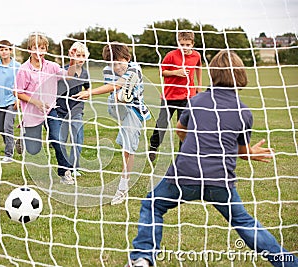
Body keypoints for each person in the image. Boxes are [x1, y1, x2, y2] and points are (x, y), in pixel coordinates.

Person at [125, 50, 298, 267]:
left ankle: (142, 258)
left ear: (213, 74)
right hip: (220, 179)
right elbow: (243, 153)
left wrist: (197, 140)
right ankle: (289, 263)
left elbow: (180, 130)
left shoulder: (196, 100)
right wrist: (251, 153)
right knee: (244, 223)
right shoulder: (244, 111)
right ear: (241, 75)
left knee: (152, 205)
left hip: (185, 174)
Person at [74, 42, 151, 205]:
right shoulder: (107, 71)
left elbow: (115, 85)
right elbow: (110, 86)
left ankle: (122, 189)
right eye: (112, 64)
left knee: (127, 150)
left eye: (119, 63)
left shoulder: (134, 68)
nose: (116, 67)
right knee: (116, 96)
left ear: (127, 58)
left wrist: (90, 92)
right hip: (115, 107)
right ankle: (121, 97)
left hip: (135, 111)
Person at [14, 33, 77, 184]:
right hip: (32, 112)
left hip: (51, 110)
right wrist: (35, 102)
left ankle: (65, 172)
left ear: (46, 50)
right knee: (33, 149)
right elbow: (17, 92)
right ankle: (23, 139)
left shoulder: (52, 67)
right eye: (35, 47)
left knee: (57, 139)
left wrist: (72, 59)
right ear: (29, 49)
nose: (39, 51)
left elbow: (69, 75)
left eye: (42, 48)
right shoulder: (24, 69)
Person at [149, 31, 202, 162]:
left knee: (184, 126)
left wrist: (199, 85)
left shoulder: (196, 55)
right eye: (181, 44)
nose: (184, 47)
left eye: (187, 44)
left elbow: (199, 67)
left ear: (192, 44)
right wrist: (176, 72)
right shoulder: (171, 55)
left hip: (187, 96)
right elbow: (162, 72)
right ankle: (153, 147)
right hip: (170, 96)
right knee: (162, 123)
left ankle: (182, 155)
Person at [57, 42, 91, 177]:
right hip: (61, 110)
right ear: (72, 55)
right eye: (78, 55)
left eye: (83, 56)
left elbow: (87, 88)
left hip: (76, 109)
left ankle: (74, 167)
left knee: (77, 138)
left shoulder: (85, 73)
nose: (81, 59)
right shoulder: (63, 70)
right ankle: (65, 167)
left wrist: (87, 93)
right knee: (61, 140)